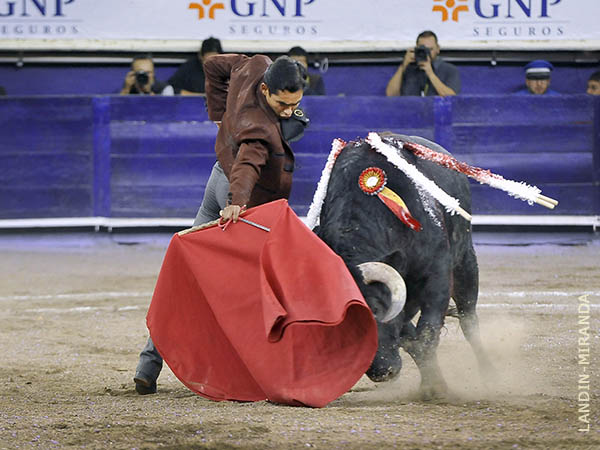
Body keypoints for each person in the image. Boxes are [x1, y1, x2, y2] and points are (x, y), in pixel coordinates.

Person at [133, 54, 308, 395]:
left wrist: (217, 115)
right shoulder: (259, 126)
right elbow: (249, 162)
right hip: (245, 204)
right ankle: (273, 371)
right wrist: (238, 202)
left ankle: (147, 365)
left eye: (294, 104)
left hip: (216, 179)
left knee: (188, 277)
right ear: (265, 89)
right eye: (282, 104)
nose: (288, 112)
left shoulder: (253, 65)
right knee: (266, 287)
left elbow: (212, 65)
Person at [386, 30, 460, 97]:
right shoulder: (408, 69)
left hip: (436, 110)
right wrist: (403, 66)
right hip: (411, 109)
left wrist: (430, 74)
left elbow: (452, 98)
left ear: (438, 49)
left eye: (430, 49)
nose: (427, 53)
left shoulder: (449, 70)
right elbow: (391, 95)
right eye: (423, 49)